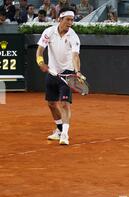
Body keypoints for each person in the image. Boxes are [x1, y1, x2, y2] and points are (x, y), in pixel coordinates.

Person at [36, 7, 84, 145]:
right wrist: (41, 63)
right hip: (52, 73)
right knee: (51, 104)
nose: (70, 22)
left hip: (67, 74)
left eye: (72, 20)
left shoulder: (73, 37)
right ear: (60, 19)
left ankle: (64, 134)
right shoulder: (49, 32)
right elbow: (39, 51)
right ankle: (59, 129)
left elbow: (75, 56)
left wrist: (77, 71)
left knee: (64, 104)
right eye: (67, 19)